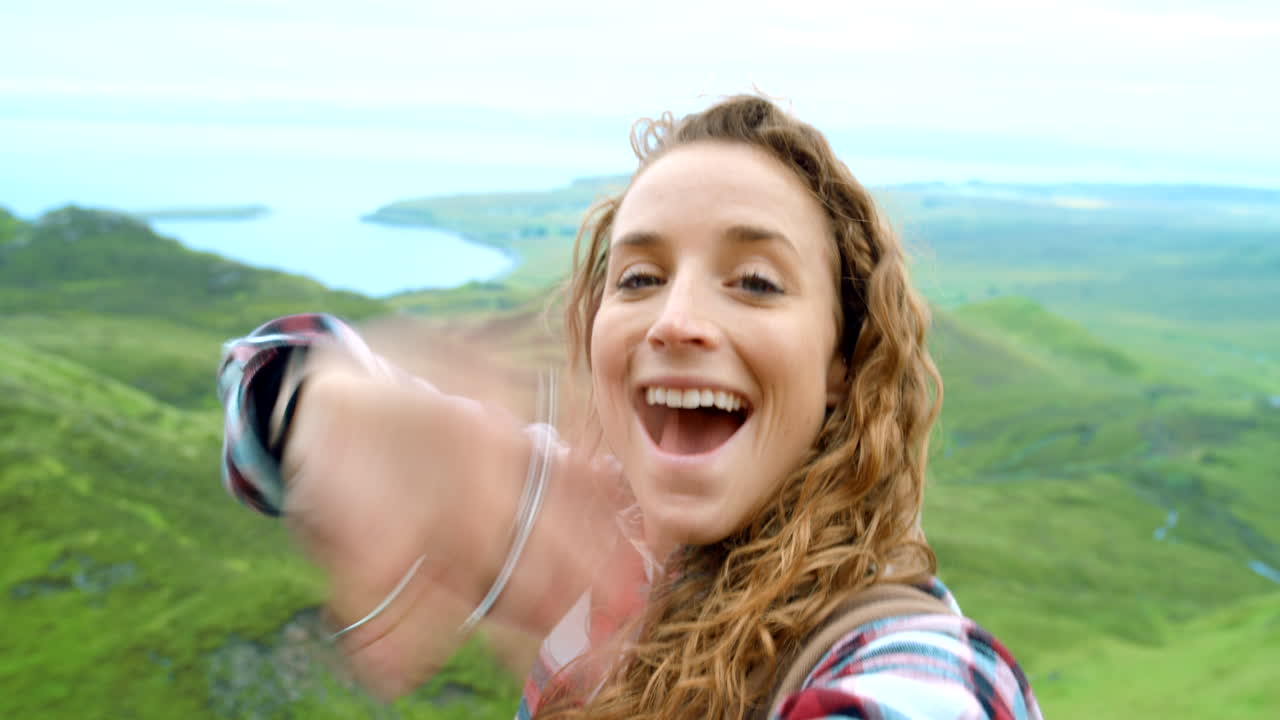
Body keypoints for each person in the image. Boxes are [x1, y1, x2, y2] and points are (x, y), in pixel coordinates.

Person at [217, 95, 1044, 719]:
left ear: (841, 362)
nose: (676, 321)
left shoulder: (918, 663)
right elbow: (264, 390)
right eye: (639, 279)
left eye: (755, 281)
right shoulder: (597, 534)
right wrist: (315, 404)